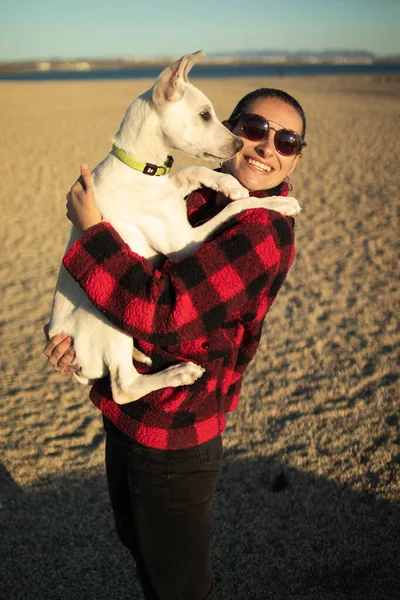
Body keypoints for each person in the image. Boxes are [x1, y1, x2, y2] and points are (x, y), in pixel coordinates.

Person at [44, 88, 306, 600]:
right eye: (254, 129)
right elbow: (121, 265)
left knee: (180, 587)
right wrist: (70, 334)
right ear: (231, 131)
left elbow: (166, 311)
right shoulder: (199, 195)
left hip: (175, 433)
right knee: (140, 548)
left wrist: (91, 229)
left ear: (297, 155)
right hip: (125, 416)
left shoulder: (263, 230)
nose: (266, 147)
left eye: (287, 140)